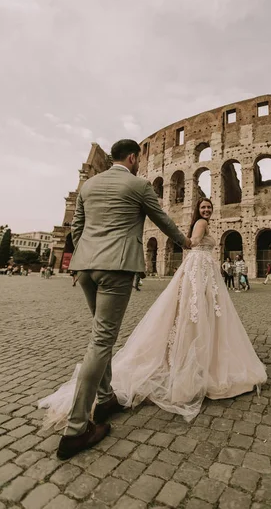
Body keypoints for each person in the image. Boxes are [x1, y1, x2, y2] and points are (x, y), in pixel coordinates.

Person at [40, 194, 267, 454]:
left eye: (208, 207)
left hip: (199, 269)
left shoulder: (204, 223)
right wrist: (192, 246)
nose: (206, 210)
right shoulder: (200, 225)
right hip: (198, 269)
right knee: (193, 313)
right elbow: (190, 244)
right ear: (198, 210)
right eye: (203, 207)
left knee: (195, 313)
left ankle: (102, 398)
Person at [39, 139, 191, 460]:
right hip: (117, 267)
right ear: (133, 157)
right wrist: (185, 241)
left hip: (86, 267)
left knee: (100, 334)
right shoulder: (138, 184)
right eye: (138, 159)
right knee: (101, 340)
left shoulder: (90, 185)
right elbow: (162, 219)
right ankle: (77, 428)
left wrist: (84, 258)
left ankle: (106, 397)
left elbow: (76, 228)